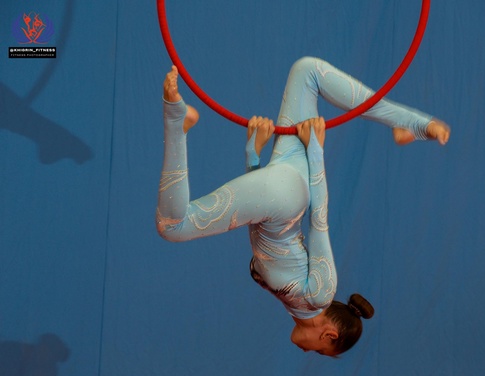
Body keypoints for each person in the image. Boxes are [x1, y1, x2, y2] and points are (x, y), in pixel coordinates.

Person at [156, 57, 450, 357]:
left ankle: (410, 125)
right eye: (321, 352)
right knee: (172, 227)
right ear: (329, 335)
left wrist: (253, 156)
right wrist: (316, 150)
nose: (308, 353)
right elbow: (319, 221)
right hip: (290, 193)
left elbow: (257, 222)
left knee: (305, 71)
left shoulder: (293, 304)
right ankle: (177, 121)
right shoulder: (320, 296)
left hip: (282, 186)